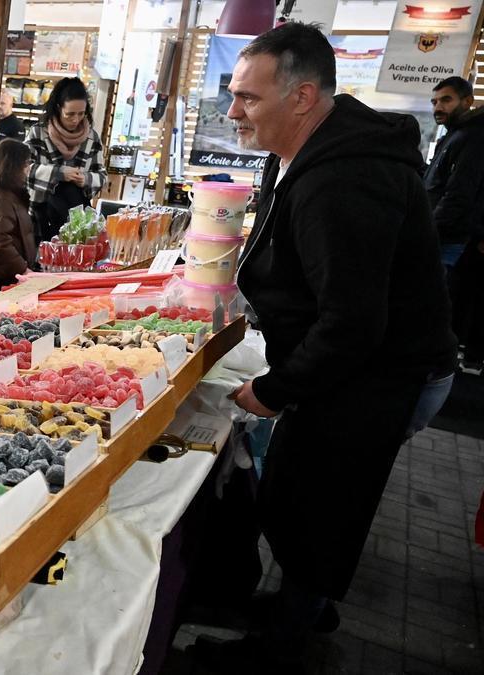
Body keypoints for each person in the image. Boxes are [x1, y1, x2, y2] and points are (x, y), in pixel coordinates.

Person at [191, 23, 458, 672]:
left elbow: (353, 323)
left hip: (382, 374)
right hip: (355, 365)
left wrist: (273, 391)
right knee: (298, 493)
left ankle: (284, 645)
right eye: (234, 93)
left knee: (319, 502)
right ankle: (305, 607)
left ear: (303, 97)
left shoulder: (346, 178)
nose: (233, 111)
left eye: (248, 98)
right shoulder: (303, 150)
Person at [424, 75, 484, 372]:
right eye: (435, 101)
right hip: (444, 234)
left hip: (449, 239)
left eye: (446, 100)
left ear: (467, 101)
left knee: (441, 307)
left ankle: (438, 370)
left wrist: (427, 232)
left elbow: (458, 195)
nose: (438, 107)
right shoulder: (455, 134)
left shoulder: (472, 137)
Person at [25, 77, 106, 242]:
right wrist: (58, 173)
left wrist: (85, 179)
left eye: (81, 113)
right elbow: (23, 169)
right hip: (40, 217)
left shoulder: (91, 138)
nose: (76, 119)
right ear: (58, 107)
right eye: (70, 114)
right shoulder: (38, 133)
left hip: (77, 224)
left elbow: (102, 176)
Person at [0, 139, 36, 293]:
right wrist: (22, 268)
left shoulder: (8, 192)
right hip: (3, 275)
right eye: (26, 163)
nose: (29, 168)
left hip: (6, 271)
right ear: (14, 165)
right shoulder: (2, 198)